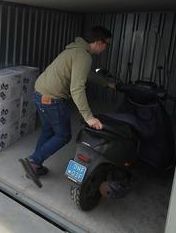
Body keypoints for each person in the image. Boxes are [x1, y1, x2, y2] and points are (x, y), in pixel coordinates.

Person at [19, 26, 115, 188]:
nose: (106, 48)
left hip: (40, 93)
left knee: (48, 131)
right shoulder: (83, 56)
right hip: (53, 99)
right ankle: (33, 161)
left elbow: (86, 74)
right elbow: (77, 88)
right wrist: (88, 117)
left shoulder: (75, 50)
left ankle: (35, 164)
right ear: (99, 42)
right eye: (107, 44)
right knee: (63, 135)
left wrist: (106, 83)